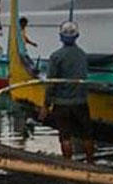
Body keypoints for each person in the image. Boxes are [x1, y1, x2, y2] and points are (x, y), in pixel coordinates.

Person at [38, 20, 95, 163]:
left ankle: (68, 164)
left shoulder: (56, 56)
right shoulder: (82, 55)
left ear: (61, 37)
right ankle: (90, 162)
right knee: (87, 135)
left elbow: (51, 83)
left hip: (62, 104)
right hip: (81, 102)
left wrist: (46, 105)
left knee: (65, 136)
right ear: (77, 36)